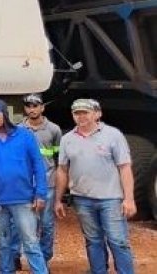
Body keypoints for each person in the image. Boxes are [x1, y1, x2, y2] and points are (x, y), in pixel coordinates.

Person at [55, 99, 136, 274]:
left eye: (85, 112)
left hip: (111, 199)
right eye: (77, 113)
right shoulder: (67, 139)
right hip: (82, 199)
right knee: (93, 240)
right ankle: (98, 271)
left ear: (97, 114)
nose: (81, 116)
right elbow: (62, 170)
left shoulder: (113, 135)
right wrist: (58, 200)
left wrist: (129, 199)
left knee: (118, 241)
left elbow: (124, 167)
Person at [0, 98, 49, 274]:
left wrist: (40, 193)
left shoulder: (25, 136)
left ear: (5, 114)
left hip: (23, 198)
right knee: (2, 244)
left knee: (31, 242)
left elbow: (38, 166)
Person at [10, 93, 62, 267]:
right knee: (16, 223)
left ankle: (44, 259)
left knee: (46, 224)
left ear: (42, 107)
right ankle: (14, 257)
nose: (32, 109)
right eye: (28, 106)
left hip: (47, 183)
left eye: (35, 106)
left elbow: (58, 159)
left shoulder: (54, 130)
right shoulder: (17, 130)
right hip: (24, 184)